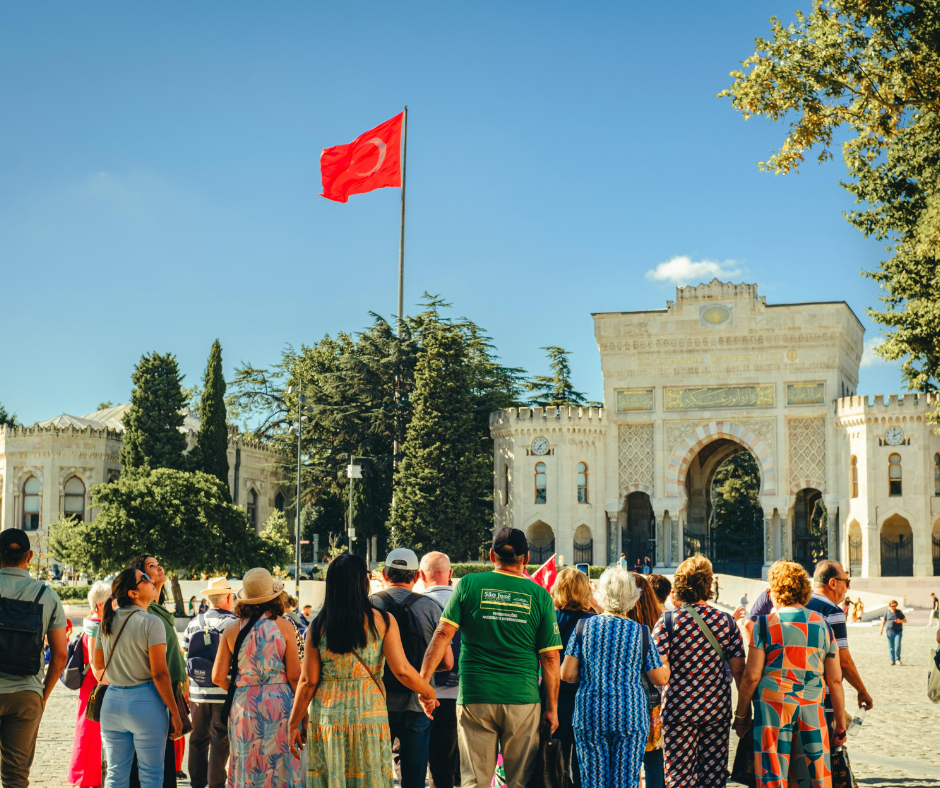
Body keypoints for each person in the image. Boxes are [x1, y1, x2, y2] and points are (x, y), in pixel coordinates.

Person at [419, 527, 562, 788]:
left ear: (490, 555)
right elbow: (551, 658)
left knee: (474, 781)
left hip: (475, 698)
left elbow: (442, 635)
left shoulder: (469, 584)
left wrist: (424, 684)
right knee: (521, 781)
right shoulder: (540, 595)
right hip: (522, 699)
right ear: (526, 558)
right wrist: (552, 708)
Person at [287, 554, 437, 788]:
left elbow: (308, 681)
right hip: (369, 715)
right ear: (363, 583)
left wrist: (293, 722)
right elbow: (403, 671)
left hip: (328, 717)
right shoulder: (382, 621)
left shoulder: (319, 625)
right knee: (368, 778)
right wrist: (428, 691)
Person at [733, 560, 847, 788]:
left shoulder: (765, 625)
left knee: (773, 775)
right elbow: (834, 680)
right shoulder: (822, 625)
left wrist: (742, 716)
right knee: (812, 776)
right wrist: (840, 724)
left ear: (776, 590)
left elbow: (751, 677)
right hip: (811, 708)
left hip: (773, 709)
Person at [560, 568, 668, 788]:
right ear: (632, 598)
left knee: (593, 781)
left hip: (590, 714)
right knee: (625, 781)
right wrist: (666, 664)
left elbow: (567, 674)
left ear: (600, 595)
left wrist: (594, 672)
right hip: (630, 715)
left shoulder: (583, 627)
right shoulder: (642, 632)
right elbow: (659, 678)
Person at [652, 555, 744, 788]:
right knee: (714, 777)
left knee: (679, 777)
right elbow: (740, 673)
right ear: (709, 585)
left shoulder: (668, 622)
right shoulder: (727, 622)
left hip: (678, 708)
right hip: (715, 707)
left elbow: (656, 669)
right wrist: (745, 713)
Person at [93, 568, 184, 788]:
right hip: (145, 701)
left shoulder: (108, 621)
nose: (151, 580)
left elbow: (98, 665)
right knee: (151, 777)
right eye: (144, 579)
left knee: (115, 775)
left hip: (113, 701)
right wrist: (175, 712)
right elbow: (160, 673)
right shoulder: (151, 622)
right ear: (133, 593)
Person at [211, 568, 302, 788]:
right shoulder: (284, 626)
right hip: (280, 703)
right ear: (275, 597)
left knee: (246, 761)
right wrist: (302, 713)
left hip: (244, 705)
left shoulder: (232, 629)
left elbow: (217, 676)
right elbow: (294, 675)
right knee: (280, 763)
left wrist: (242, 686)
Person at [370, 549, 449, 788]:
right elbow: (447, 662)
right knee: (415, 779)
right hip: (418, 704)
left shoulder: (368, 606)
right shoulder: (431, 607)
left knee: (376, 775)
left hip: (376, 704)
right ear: (416, 577)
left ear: (384, 573)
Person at [0, 529, 68, 788]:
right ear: (29, 556)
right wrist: (42, 695)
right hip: (26, 694)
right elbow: (60, 655)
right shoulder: (46, 594)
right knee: (16, 778)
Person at [130, 554, 188, 787]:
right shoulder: (146, 612)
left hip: (162, 689)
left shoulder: (157, 608)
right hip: (154, 691)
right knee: (153, 761)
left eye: (158, 564)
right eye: (151, 567)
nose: (159, 568)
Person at [180, 577, 237, 788]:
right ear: (229, 597)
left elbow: (185, 656)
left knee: (197, 741)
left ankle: (197, 784)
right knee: (220, 741)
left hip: (197, 692)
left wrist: (187, 689)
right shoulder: (232, 624)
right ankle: (215, 785)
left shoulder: (195, 622)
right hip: (223, 692)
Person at [805, 561, 873, 732]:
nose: (847, 588)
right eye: (846, 582)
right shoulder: (832, 611)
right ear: (833, 583)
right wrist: (861, 690)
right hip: (821, 697)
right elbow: (843, 661)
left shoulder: (798, 605)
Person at [548, 568, 597, 788]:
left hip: (552, 696)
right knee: (583, 764)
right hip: (585, 699)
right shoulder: (594, 622)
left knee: (552, 762)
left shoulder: (548, 618)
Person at [420, 551, 461, 788]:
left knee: (431, 761)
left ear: (421, 576)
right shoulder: (467, 602)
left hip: (426, 694)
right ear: (451, 574)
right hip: (463, 694)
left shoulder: (415, 605)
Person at [68, 580, 112, 788]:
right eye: (112, 600)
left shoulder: (94, 623)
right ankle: (88, 779)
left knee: (90, 733)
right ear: (101, 604)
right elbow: (95, 663)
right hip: (95, 687)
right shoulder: (95, 625)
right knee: (90, 734)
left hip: (93, 686)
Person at [625, 573, 667, 788]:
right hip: (653, 702)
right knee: (654, 761)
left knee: (627, 764)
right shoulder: (660, 619)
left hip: (627, 701)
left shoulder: (620, 623)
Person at [878, 600, 907, 665]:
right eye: (892, 606)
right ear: (890, 606)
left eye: (895, 606)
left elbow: (905, 620)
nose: (894, 607)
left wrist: (900, 621)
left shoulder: (899, 612)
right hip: (889, 632)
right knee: (891, 647)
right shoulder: (887, 612)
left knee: (897, 645)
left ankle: (897, 659)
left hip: (898, 631)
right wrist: (881, 630)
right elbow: (883, 621)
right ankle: (892, 660)